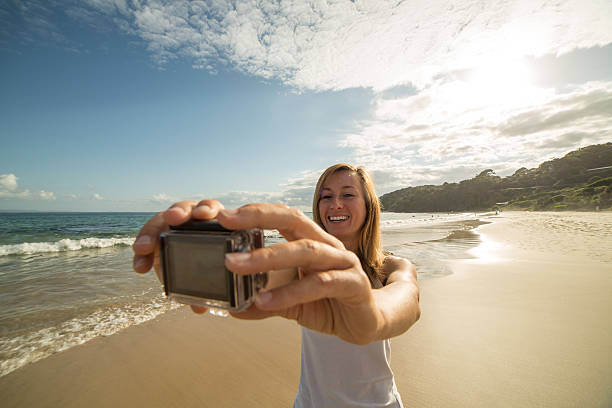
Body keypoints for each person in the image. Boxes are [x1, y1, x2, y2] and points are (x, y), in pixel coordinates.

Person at [132, 163, 421, 407]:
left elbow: (406, 303)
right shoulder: (302, 266)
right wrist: (187, 255)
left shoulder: (392, 267)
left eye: (348, 194)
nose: (335, 204)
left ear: (369, 205)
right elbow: (253, 276)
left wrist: (368, 313)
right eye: (326, 196)